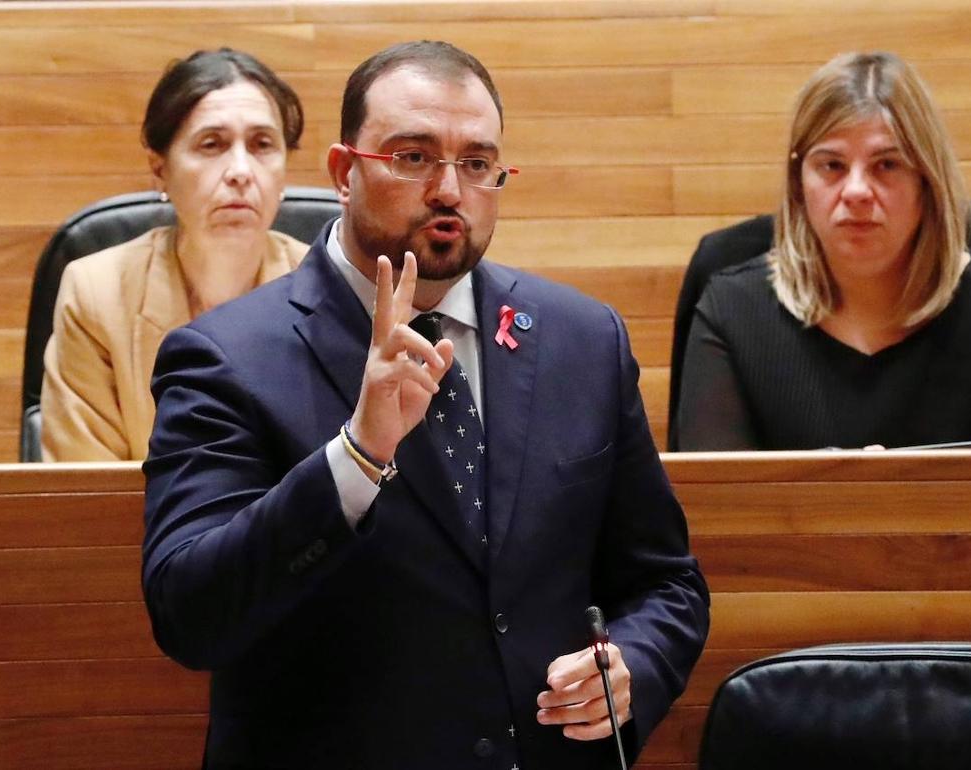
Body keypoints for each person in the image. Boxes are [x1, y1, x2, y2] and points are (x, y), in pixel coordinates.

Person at [141, 40, 709, 769]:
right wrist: (355, 457)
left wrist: (633, 666)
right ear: (344, 173)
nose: (449, 190)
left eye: (475, 164)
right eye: (413, 158)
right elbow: (190, 617)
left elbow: (666, 580)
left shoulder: (581, 339)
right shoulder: (225, 357)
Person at [675, 51, 971, 451]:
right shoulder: (729, 310)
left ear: (928, 180)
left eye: (887, 165)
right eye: (831, 165)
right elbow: (717, 509)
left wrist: (885, 499)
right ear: (799, 184)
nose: (855, 191)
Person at [40, 48, 309, 461]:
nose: (240, 170)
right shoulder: (96, 294)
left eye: (262, 145)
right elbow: (87, 494)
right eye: (212, 144)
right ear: (160, 167)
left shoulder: (327, 289)